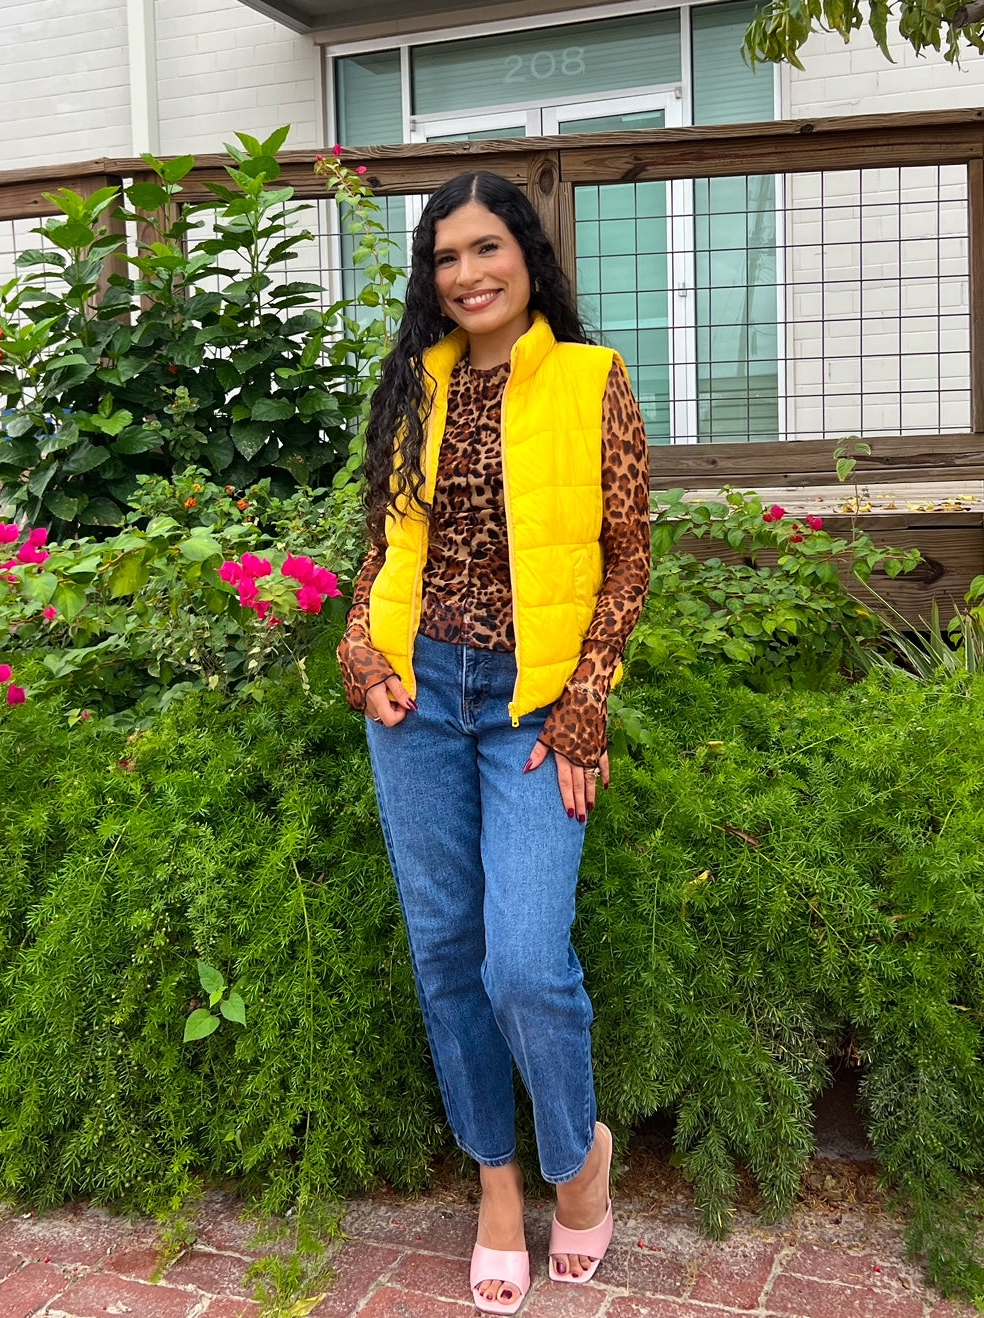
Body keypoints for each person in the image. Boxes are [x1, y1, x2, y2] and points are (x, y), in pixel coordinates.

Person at [338, 170, 650, 1315]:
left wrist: (587, 697)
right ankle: (497, 1185)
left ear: (526, 252)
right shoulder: (414, 385)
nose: (467, 274)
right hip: (418, 700)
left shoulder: (590, 379)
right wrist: (360, 647)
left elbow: (629, 556)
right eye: (445, 258)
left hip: (533, 706)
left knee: (523, 959)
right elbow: (383, 545)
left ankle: (579, 1157)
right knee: (445, 950)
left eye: (485, 248)